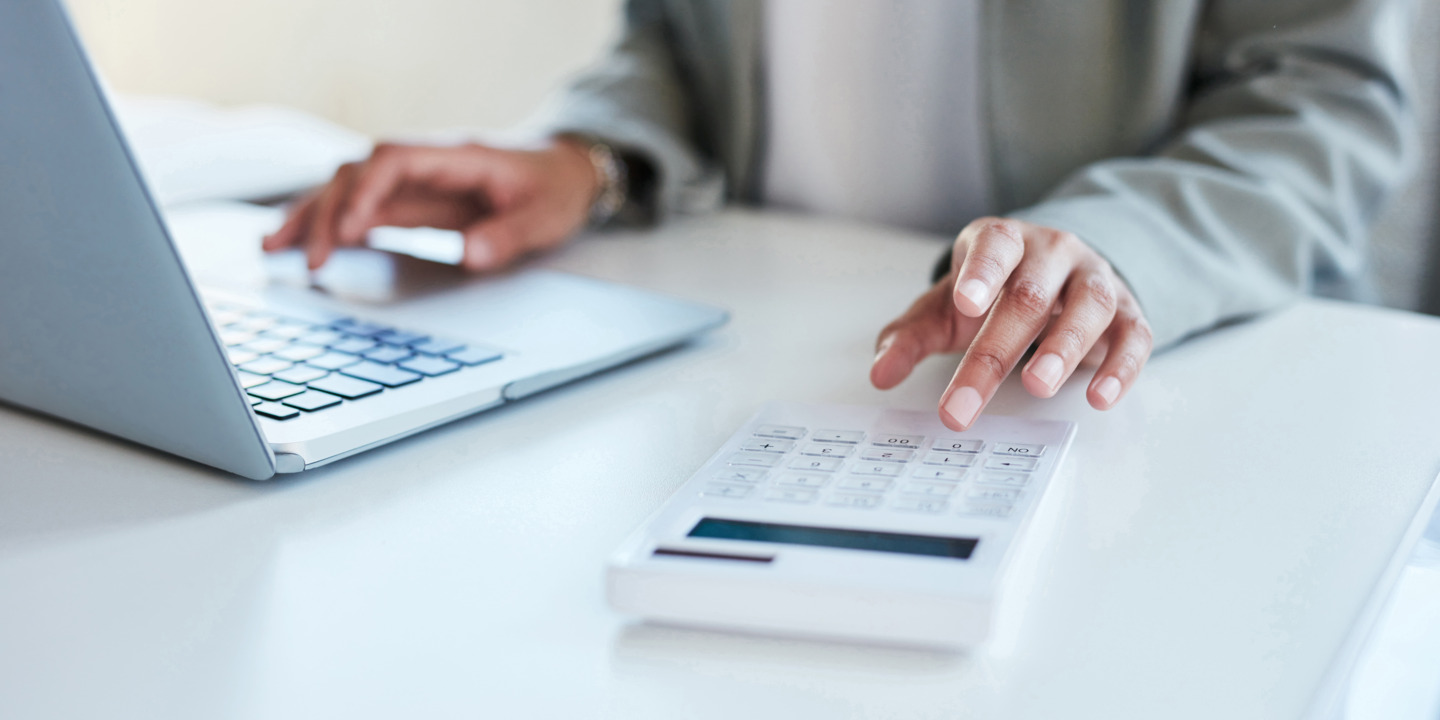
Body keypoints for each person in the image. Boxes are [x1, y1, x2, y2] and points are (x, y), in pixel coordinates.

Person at [265, 0, 1414, 431]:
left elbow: (1324, 100)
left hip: (1123, 403)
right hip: (751, 352)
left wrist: (1122, 248)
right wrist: (591, 157)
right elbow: (671, 40)